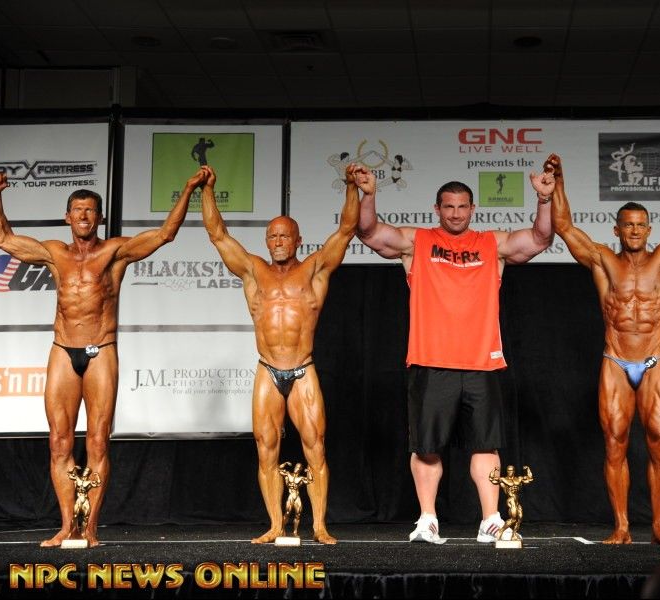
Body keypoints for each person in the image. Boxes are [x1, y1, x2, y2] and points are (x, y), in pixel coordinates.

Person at [0, 168, 201, 547]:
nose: (84, 216)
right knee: (59, 442)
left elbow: (164, 234)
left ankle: (88, 528)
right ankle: (66, 527)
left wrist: (188, 188)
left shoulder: (114, 253)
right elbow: (2, 237)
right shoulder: (54, 253)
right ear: (67, 217)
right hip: (63, 350)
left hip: (100, 351)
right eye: (78, 210)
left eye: (90, 210)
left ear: (100, 217)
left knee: (97, 442)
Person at [356, 164, 554, 544]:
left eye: (463, 207)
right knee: (426, 447)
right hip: (431, 362)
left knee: (485, 445)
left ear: (473, 209)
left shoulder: (492, 245)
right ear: (437, 209)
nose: (456, 213)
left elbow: (540, 238)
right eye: (449, 207)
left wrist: (544, 199)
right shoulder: (417, 243)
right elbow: (368, 232)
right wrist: (368, 194)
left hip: (482, 363)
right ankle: (428, 519)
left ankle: (490, 519)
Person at [200, 163, 368, 545]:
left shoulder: (314, 270)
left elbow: (347, 229)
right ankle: (275, 525)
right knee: (266, 449)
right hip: (268, 370)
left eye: (285, 235)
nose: (278, 241)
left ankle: (320, 526)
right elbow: (217, 234)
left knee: (316, 447)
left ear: (297, 240)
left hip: (303, 369)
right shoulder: (252, 271)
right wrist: (207, 190)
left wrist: (350, 187)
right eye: (272, 236)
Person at [550, 144, 660, 545]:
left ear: (649, 229)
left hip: (654, 361)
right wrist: (559, 182)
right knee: (614, 444)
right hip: (616, 361)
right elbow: (564, 226)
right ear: (616, 230)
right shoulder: (603, 260)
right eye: (628, 225)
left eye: (640, 225)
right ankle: (621, 526)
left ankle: (659, 526)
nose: (634, 231)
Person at [488, 465, 534, 542]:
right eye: (508, 470)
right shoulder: (503, 479)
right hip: (511, 500)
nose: (510, 472)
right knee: (513, 519)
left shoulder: (518, 479)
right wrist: (494, 470)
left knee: (520, 518)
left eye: (511, 470)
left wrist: (528, 469)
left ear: (514, 471)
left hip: (516, 501)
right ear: (507, 471)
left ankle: (514, 534)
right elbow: (491, 479)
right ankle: (500, 531)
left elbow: (530, 478)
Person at [279, 462, 313, 538]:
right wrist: (285, 463)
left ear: (300, 469)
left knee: (298, 514)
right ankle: (282, 529)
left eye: (298, 467)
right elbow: (279, 469)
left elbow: (310, 481)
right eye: (296, 466)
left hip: (297, 496)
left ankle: (295, 532)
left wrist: (308, 472)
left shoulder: (301, 478)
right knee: (287, 513)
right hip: (290, 495)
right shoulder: (288, 474)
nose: (296, 468)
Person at [68, 466, 101, 537]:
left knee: (86, 517)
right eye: (85, 470)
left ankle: (83, 533)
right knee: (75, 516)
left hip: (85, 500)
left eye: (87, 471)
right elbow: (69, 475)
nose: (85, 472)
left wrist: (97, 476)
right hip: (79, 499)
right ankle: (71, 532)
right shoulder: (77, 479)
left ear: (89, 473)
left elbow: (98, 484)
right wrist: (74, 468)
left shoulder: (89, 482)